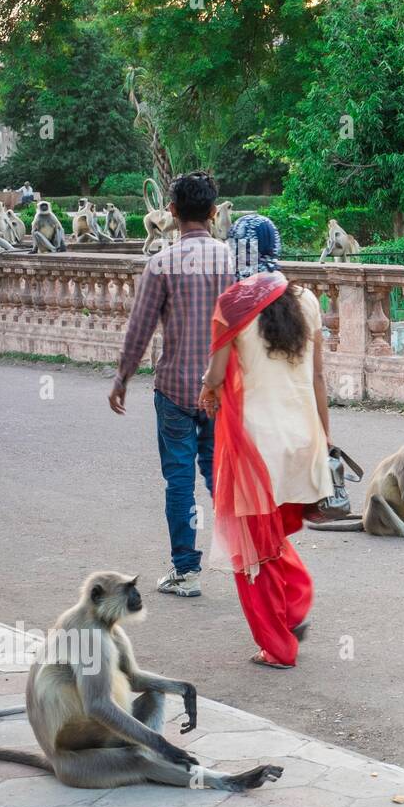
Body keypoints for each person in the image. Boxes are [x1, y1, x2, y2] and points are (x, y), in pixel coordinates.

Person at [199, 216, 331, 668]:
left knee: (251, 548)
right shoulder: (306, 299)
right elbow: (318, 376)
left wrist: (206, 385)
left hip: (255, 445)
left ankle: (279, 642)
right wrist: (326, 437)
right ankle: (295, 600)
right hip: (302, 437)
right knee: (269, 537)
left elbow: (216, 376)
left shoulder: (231, 305)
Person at [110, 172, 236, 598]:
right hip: (218, 389)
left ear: (173, 212)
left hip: (176, 389)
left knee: (179, 481)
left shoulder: (160, 264)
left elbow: (140, 328)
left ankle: (186, 572)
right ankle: (246, 559)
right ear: (214, 212)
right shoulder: (227, 260)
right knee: (221, 478)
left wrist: (121, 378)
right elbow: (240, 326)